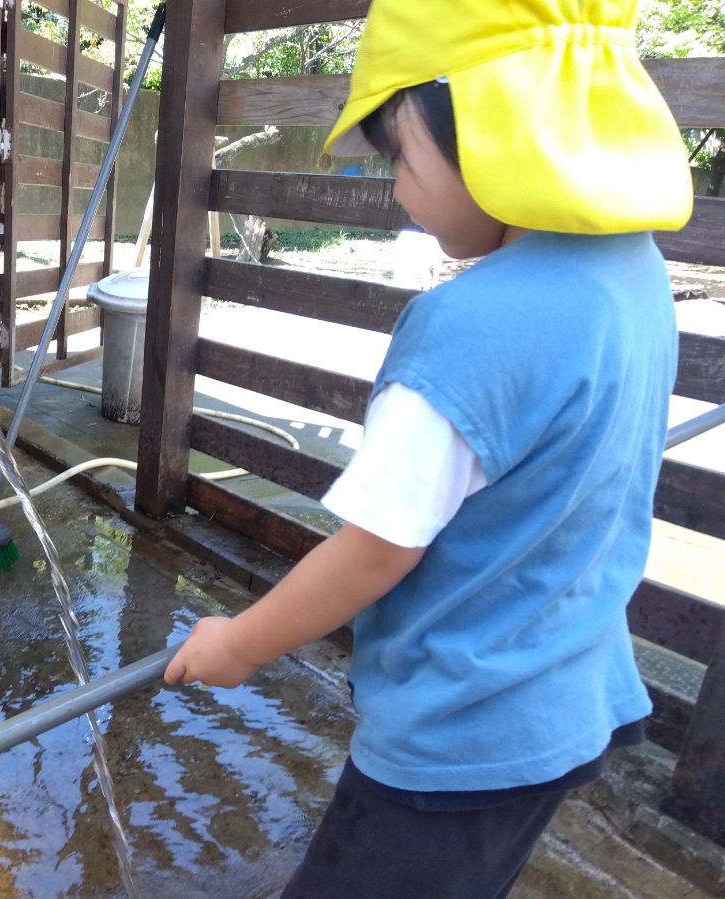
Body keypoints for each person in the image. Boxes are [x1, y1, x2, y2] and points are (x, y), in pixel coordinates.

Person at [165, 1, 693, 896]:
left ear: (499, 131)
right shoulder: (633, 270)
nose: (395, 193)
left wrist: (242, 642)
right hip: (569, 699)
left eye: (398, 159)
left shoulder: (467, 327)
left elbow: (376, 548)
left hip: (458, 739)